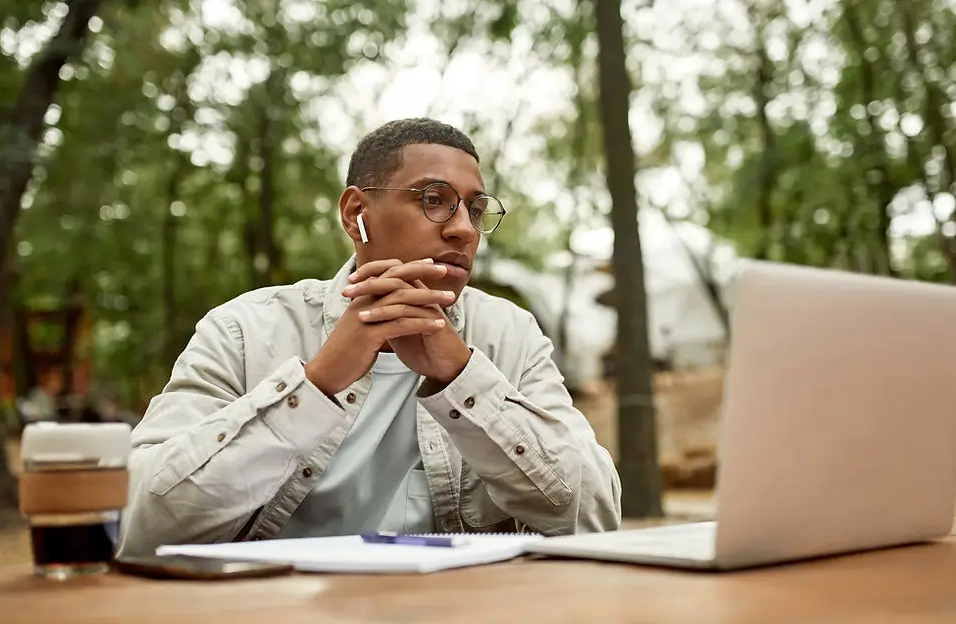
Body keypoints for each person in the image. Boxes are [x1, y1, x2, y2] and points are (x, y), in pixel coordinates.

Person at [116, 118, 622, 556]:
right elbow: (142, 524)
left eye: (474, 208)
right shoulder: (245, 330)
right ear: (356, 214)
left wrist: (462, 377)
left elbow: (594, 518)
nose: (464, 230)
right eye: (434, 200)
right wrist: (315, 386)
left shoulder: (508, 334)